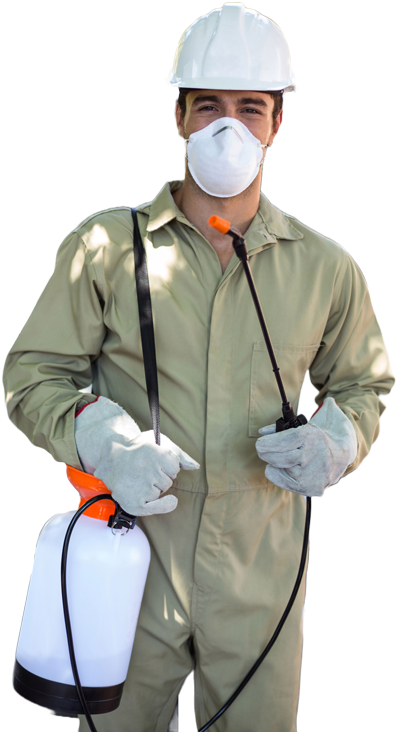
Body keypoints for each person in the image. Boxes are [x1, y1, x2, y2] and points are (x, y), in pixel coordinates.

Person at [2, 3, 396, 731]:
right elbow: (30, 376)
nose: (228, 127)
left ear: (278, 122)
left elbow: (366, 383)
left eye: (251, 108)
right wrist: (97, 437)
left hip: (262, 580)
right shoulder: (104, 247)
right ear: (179, 114)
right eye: (209, 104)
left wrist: (338, 440)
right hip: (126, 565)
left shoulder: (325, 268)